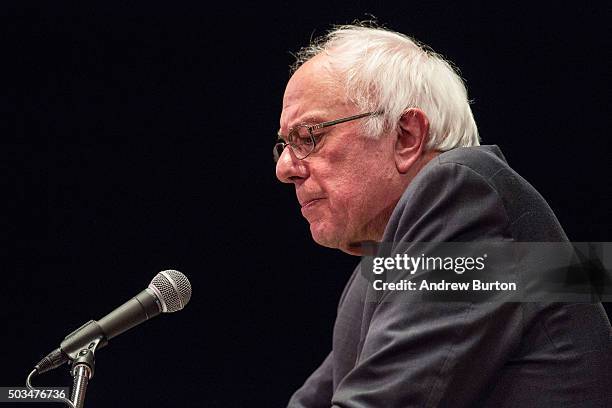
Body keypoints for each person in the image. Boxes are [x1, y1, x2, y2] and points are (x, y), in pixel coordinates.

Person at [274, 24, 612, 407]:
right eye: (284, 145)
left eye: (309, 137)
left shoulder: (463, 195)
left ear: (406, 135)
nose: (285, 168)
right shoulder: (374, 274)